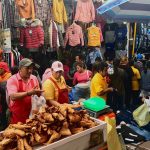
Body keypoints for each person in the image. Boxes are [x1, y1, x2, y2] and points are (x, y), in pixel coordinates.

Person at [6, 58, 43, 124]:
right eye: (27, 68)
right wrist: (28, 93)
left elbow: (37, 96)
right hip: (18, 118)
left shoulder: (34, 78)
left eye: (31, 68)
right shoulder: (13, 80)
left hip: (32, 116)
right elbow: (13, 97)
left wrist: (39, 94)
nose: (30, 71)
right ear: (20, 69)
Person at [0, 62, 11, 129]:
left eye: (0, 68)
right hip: (3, 101)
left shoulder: (8, 77)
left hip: (6, 102)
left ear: (3, 69)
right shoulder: (2, 76)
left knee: (5, 116)